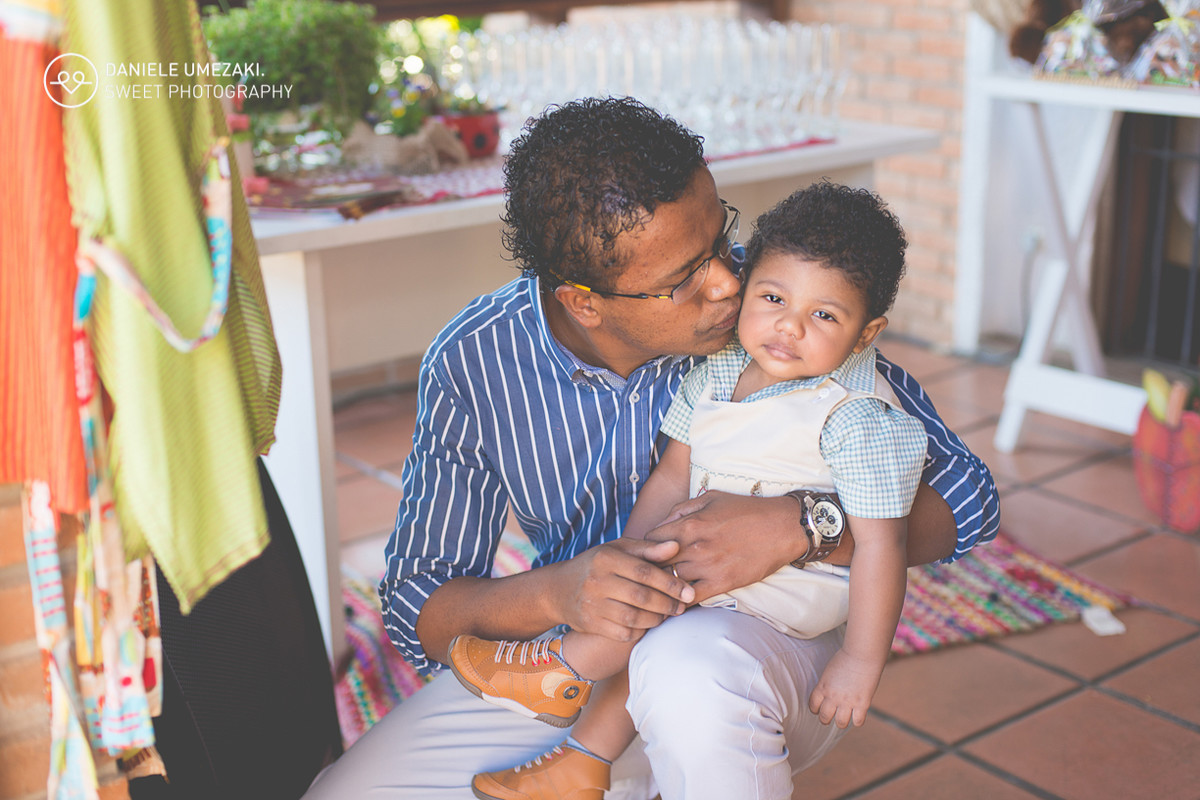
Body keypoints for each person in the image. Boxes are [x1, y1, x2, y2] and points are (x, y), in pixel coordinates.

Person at [302, 97, 999, 800]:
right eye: (685, 277)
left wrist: (803, 527)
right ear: (584, 303)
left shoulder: (781, 310)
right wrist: (558, 591)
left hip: (765, 643)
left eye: (722, 236)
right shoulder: (477, 360)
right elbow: (418, 605)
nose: (727, 281)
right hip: (575, 661)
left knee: (686, 678)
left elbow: (969, 499)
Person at [449, 181, 927, 800]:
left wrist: (861, 661)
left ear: (865, 334)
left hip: (786, 595)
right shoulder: (720, 370)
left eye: (825, 315)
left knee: (657, 611)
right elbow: (674, 474)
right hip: (706, 572)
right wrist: (632, 554)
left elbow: (884, 544)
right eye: (773, 298)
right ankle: (581, 763)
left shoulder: (857, 415)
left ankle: (560, 668)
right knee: (649, 601)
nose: (789, 326)